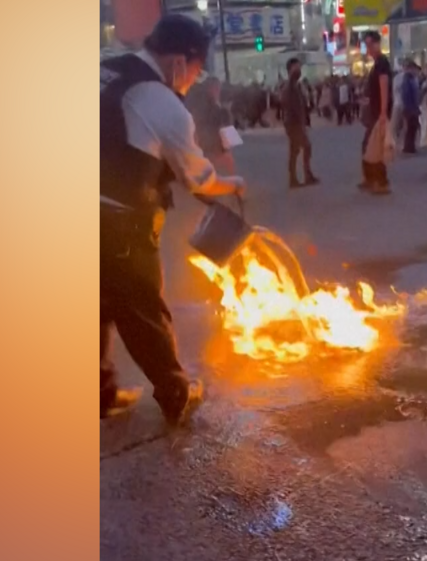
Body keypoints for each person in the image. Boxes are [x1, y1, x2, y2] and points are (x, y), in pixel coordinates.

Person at [99, 15, 246, 425]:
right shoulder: (161, 101)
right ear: (180, 62)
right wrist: (232, 184)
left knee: (96, 304)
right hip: (116, 221)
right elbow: (197, 177)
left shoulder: (107, 67)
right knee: (142, 306)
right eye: (196, 71)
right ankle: (175, 392)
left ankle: (98, 393)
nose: (192, 81)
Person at [358, 30, 393, 195]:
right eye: (367, 45)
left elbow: (384, 86)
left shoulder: (382, 63)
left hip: (379, 113)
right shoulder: (377, 63)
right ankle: (372, 179)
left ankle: (380, 181)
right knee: (369, 146)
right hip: (375, 110)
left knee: (375, 148)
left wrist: (383, 113)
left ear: (378, 43)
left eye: (371, 44)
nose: (369, 48)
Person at [185, 75, 236, 176]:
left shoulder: (194, 109)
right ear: (216, 89)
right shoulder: (222, 112)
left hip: (199, 153)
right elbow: (230, 140)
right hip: (216, 154)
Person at [283, 57, 319, 189]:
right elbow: (290, 106)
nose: (299, 70)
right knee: (304, 147)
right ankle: (302, 176)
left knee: (296, 150)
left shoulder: (296, 86)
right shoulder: (289, 87)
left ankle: (296, 177)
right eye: (296, 68)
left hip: (297, 123)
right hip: (294, 124)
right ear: (290, 69)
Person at [400, 62, 422, 154]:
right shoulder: (407, 80)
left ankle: (410, 146)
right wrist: (412, 108)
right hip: (410, 108)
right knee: (411, 127)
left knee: (412, 127)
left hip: (411, 107)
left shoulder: (411, 79)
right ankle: (409, 147)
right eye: (414, 69)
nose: (415, 71)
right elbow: (407, 95)